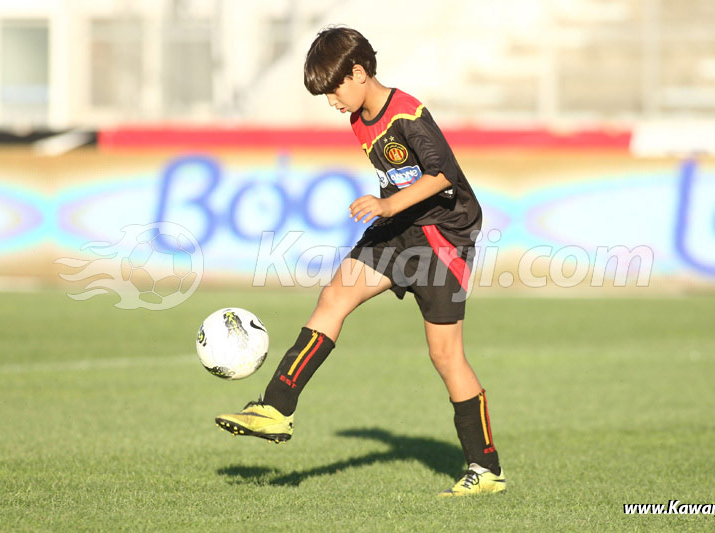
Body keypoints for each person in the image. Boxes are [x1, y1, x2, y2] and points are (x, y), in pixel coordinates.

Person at [216, 26, 504, 497]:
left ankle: (486, 468)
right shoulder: (357, 116)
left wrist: (387, 204)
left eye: (334, 89)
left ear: (359, 72)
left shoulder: (407, 113)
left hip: (441, 239)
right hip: (399, 229)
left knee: (445, 355)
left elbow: (443, 176)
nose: (331, 101)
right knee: (335, 296)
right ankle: (276, 408)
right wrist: (391, 209)